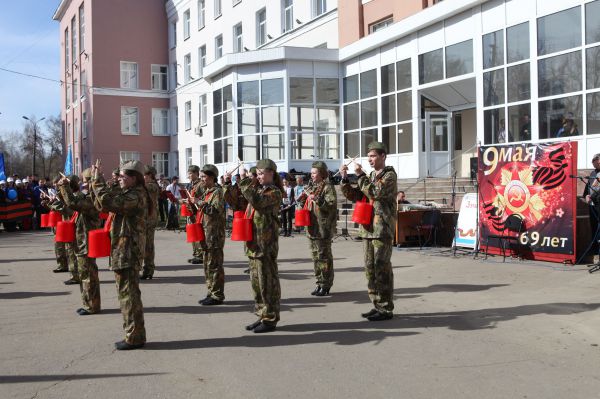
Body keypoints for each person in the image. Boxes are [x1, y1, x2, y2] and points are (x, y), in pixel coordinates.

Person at [91, 160, 149, 350]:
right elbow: (102, 205)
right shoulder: (129, 192)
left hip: (128, 251)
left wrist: (98, 181)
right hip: (123, 249)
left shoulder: (135, 196)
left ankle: (134, 337)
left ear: (134, 178)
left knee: (129, 295)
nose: (120, 179)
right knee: (127, 293)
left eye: (124, 176)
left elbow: (109, 202)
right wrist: (98, 183)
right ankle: (135, 334)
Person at [340, 141, 397, 322]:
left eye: (373, 156)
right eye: (369, 156)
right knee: (370, 269)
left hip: (382, 229)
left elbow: (375, 193)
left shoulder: (389, 175)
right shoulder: (371, 175)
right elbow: (358, 196)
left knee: (382, 268)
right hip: (368, 228)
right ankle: (376, 304)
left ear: (383, 156)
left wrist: (360, 176)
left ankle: (386, 308)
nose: (370, 159)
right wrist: (344, 179)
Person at [239, 159, 282, 333]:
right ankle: (261, 314)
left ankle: (270, 317)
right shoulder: (257, 189)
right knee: (256, 282)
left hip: (266, 244)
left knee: (267, 282)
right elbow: (240, 199)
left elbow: (257, 201)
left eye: (261, 173)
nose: (258, 176)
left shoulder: (275, 192)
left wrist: (245, 181)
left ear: (271, 173)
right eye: (257, 173)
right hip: (253, 242)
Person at [59, 170, 102, 315]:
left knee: (88, 274)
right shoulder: (88, 196)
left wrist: (65, 187)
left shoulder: (91, 199)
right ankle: (89, 303)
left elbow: (72, 203)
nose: (82, 184)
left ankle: (92, 305)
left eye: (85, 181)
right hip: (83, 240)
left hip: (88, 241)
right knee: (86, 274)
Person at [297, 161, 337, 296]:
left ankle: (326, 284)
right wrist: (303, 199)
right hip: (311, 227)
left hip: (322, 227)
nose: (312, 175)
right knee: (315, 257)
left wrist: (317, 199)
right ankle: (319, 282)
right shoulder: (312, 186)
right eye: (311, 172)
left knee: (324, 257)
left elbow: (330, 205)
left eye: (314, 172)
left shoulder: (328, 187)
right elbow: (307, 204)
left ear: (321, 173)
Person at [189, 164, 226, 305]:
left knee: (215, 265)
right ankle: (211, 291)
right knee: (207, 264)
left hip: (215, 234)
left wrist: (200, 202)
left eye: (204, 176)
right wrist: (192, 204)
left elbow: (215, 210)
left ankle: (217, 295)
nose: (201, 179)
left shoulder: (218, 192)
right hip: (206, 232)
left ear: (211, 177)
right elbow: (201, 211)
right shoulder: (207, 192)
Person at [141, 165, 160, 280]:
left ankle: (148, 270)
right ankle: (147, 269)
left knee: (148, 246)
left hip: (149, 219)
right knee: (146, 245)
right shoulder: (148, 185)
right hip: (146, 218)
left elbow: (143, 188)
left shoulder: (152, 186)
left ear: (150, 176)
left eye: (144, 175)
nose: (142, 177)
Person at [184, 165, 204, 264]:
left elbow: (203, 197)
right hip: (190, 211)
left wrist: (196, 200)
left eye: (191, 173)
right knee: (192, 233)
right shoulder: (189, 185)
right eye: (189, 173)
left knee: (197, 233)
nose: (189, 175)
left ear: (197, 173)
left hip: (197, 212)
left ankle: (200, 255)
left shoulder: (201, 184)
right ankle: (195, 253)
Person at [584, 154, 600, 254]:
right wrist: (586, 195)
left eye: (596, 162)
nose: (595, 164)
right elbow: (588, 188)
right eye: (594, 162)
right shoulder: (592, 173)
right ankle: (594, 249)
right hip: (592, 205)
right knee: (594, 226)